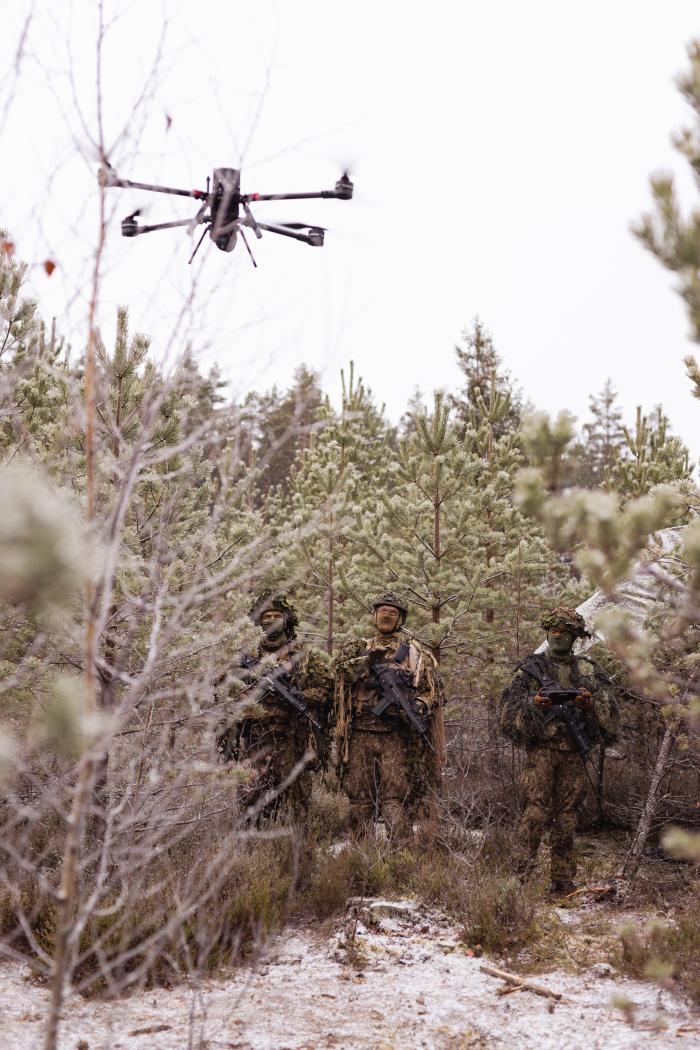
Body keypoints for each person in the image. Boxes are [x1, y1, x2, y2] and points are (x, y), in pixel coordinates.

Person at [499, 606, 619, 894]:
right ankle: (518, 878)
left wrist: (591, 706)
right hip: (541, 751)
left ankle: (562, 881)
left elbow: (612, 719)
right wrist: (533, 706)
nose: (558, 636)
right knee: (535, 814)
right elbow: (506, 714)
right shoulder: (530, 670)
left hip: (574, 754)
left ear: (575, 636)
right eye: (553, 631)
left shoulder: (588, 670)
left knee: (567, 817)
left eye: (565, 631)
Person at [333, 592, 442, 840]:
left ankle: (400, 859)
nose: (386, 615)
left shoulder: (415, 654)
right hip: (360, 733)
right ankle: (360, 858)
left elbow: (432, 692)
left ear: (400, 618)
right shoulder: (357, 648)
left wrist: (418, 705)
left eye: (392, 612)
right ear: (374, 615)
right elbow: (338, 677)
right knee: (359, 800)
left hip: (396, 736)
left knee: (395, 799)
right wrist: (365, 663)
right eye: (382, 610)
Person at [217, 591, 332, 823]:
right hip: (256, 738)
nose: (271, 620)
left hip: (293, 738)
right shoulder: (245, 657)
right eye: (266, 615)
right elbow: (223, 689)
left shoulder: (304, 656)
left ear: (286, 619)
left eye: (276, 615)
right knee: (251, 798)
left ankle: (297, 852)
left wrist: (300, 696)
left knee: (297, 801)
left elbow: (326, 689)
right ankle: (252, 849)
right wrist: (248, 695)